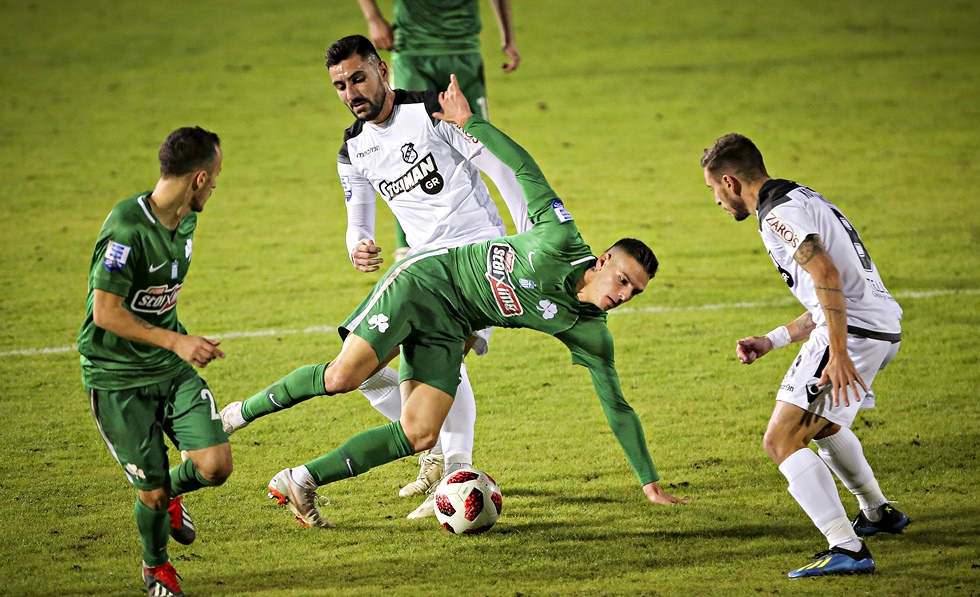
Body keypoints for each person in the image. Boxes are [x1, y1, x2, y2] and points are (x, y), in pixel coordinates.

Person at [230, 74, 688, 529]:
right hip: (425, 282)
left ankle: (301, 480)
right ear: (603, 261)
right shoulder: (558, 237)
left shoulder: (588, 331)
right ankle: (235, 415)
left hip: (454, 323)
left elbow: (618, 406)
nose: (623, 295)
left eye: (634, 292)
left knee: (420, 431)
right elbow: (524, 167)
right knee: (342, 377)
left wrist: (649, 484)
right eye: (622, 280)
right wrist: (472, 124)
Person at [221, 35, 529, 519]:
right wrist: (358, 245)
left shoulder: (431, 112)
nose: (351, 93)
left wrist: (526, 242)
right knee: (354, 375)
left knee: (448, 361)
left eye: (358, 79)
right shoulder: (353, 149)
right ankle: (240, 415)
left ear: (382, 70)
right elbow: (357, 222)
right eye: (340, 86)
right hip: (419, 272)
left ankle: (451, 470)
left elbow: (503, 170)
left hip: (473, 259)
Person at [700, 133, 909, 578]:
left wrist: (837, 352)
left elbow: (826, 273)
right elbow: (827, 292)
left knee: (781, 440)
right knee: (823, 423)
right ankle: (877, 512)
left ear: (730, 182)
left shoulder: (778, 214)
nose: (716, 200)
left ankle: (846, 547)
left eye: (713, 189)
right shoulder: (802, 196)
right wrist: (773, 339)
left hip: (852, 334)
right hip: (880, 327)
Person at [77, 127, 232, 597]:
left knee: (215, 465)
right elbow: (105, 313)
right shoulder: (127, 228)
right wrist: (177, 342)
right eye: (215, 176)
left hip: (169, 367)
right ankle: (156, 567)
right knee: (153, 492)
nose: (216, 185)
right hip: (117, 378)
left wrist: (175, 345)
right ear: (199, 178)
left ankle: (170, 494)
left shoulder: (185, 221)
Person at [357, 0, 521, 261]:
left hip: (464, 48)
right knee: (409, 148)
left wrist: (508, 36)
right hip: (413, 49)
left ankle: (506, 233)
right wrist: (373, 17)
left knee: (482, 146)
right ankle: (407, 247)